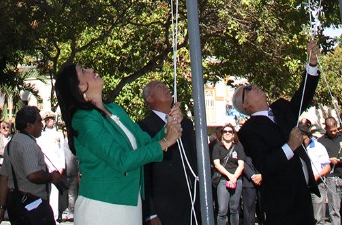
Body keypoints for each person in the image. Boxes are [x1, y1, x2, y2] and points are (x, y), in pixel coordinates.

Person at [53, 63, 182, 224]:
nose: (91, 69)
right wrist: (166, 141)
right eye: (83, 71)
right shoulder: (83, 119)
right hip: (102, 207)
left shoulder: (115, 109)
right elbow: (121, 160)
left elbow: (145, 144)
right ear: (79, 86)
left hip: (130, 203)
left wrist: (169, 127)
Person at [232, 40, 320, 225]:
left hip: (302, 193)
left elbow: (303, 97)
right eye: (247, 90)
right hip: (281, 202)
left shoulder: (280, 108)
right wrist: (290, 146)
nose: (252, 86)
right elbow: (265, 164)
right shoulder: (248, 130)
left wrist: (311, 64)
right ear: (246, 106)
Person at [138, 79, 199, 225]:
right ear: (149, 98)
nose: (165, 87)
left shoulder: (186, 123)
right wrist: (150, 212)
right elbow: (144, 170)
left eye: (165, 85)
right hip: (164, 204)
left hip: (191, 200)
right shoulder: (143, 127)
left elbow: (192, 158)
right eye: (159, 87)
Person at [0, 106, 62, 225]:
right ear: (29, 125)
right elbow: (33, 175)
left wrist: (1, 208)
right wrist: (51, 177)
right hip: (33, 204)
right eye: (39, 121)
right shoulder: (27, 144)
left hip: (16, 203)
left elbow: (4, 178)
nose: (42, 125)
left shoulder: (11, 144)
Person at [211, 122, 245, 225]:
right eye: (225, 131)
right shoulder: (217, 147)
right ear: (222, 133)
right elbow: (217, 164)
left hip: (236, 180)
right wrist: (229, 176)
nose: (227, 133)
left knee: (234, 209)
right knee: (222, 210)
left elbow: (241, 165)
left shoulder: (238, 147)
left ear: (234, 134)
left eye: (230, 131)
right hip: (222, 180)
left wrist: (234, 177)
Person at [37, 114, 66, 221]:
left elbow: (62, 151)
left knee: (54, 193)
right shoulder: (41, 135)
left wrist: (61, 166)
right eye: (48, 119)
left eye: (52, 119)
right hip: (44, 167)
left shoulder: (59, 135)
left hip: (56, 167)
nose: (50, 121)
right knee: (43, 192)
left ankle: (53, 217)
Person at [299, 121, 329, 223]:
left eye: (303, 138)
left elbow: (327, 167)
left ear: (307, 136)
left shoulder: (318, 147)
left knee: (318, 216)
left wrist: (317, 176)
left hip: (317, 184)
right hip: (301, 185)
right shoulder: (296, 148)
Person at [239, 149, 262, 225]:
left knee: (263, 208)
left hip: (263, 180)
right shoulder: (242, 145)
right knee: (249, 210)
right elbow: (241, 162)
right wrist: (252, 176)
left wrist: (262, 175)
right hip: (248, 181)